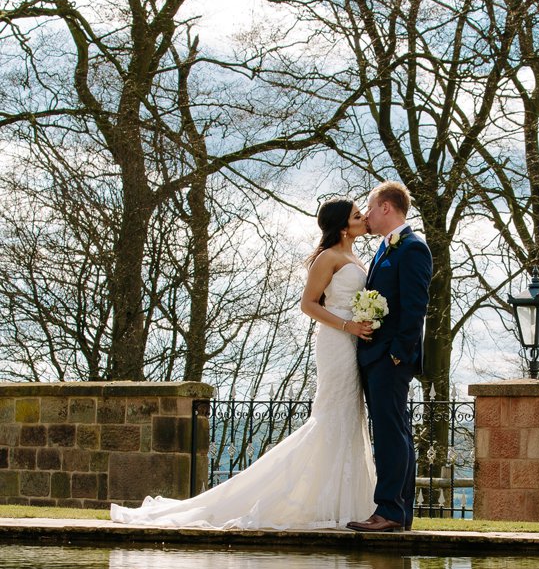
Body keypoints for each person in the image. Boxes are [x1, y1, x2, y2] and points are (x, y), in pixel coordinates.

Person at [110, 200, 377, 529]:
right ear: (340, 226)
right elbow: (307, 304)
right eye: (356, 215)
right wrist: (348, 325)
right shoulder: (328, 258)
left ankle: (341, 504)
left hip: (354, 342)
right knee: (330, 417)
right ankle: (288, 499)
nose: (363, 218)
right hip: (337, 341)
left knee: (350, 416)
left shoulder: (358, 257)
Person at [348, 180, 433, 534]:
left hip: (390, 358)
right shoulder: (385, 248)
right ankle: (397, 513)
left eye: (369, 207)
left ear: (386, 207)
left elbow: (415, 308)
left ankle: (389, 511)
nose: (366, 214)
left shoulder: (412, 248)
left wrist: (398, 355)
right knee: (393, 432)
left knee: (390, 434)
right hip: (376, 356)